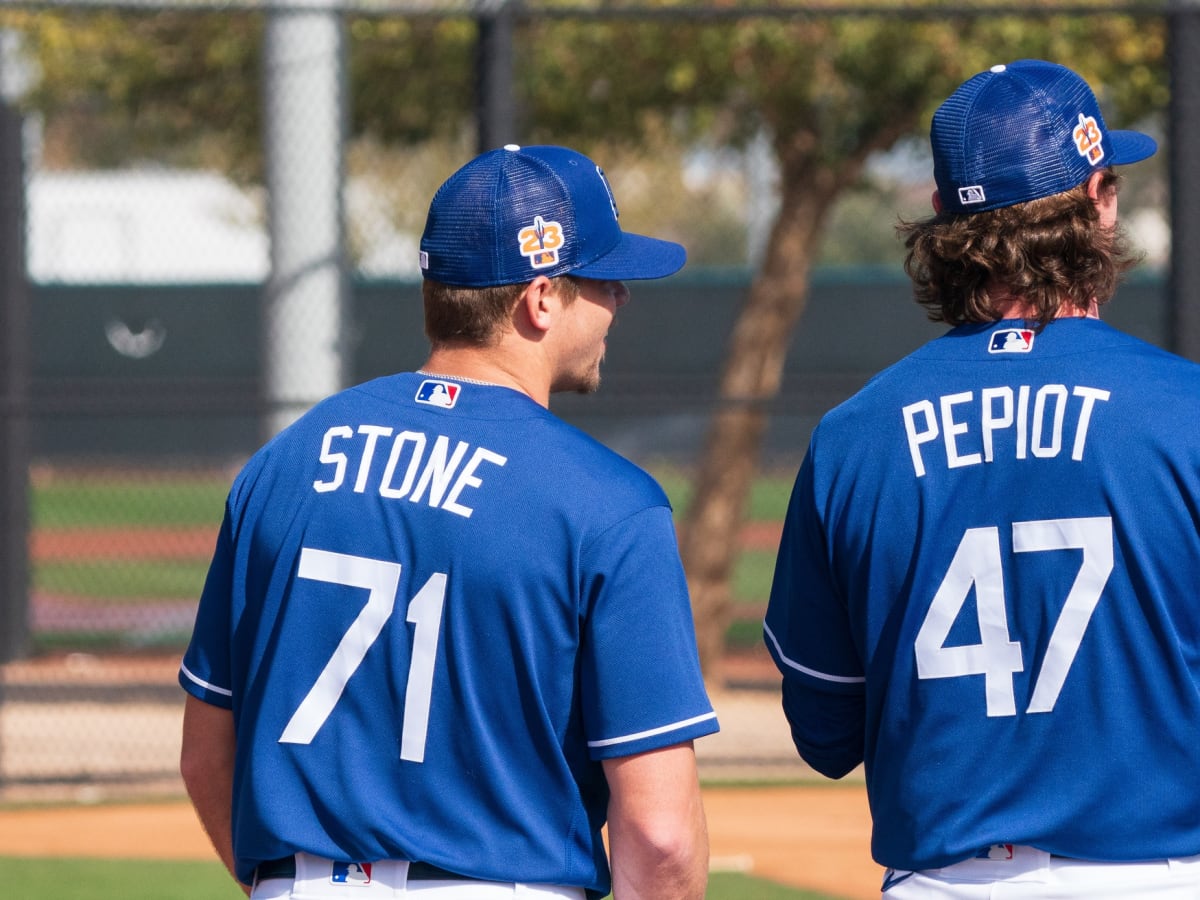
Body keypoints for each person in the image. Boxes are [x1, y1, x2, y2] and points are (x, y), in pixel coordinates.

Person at [179, 143, 719, 900]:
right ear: (540, 300)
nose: (621, 299)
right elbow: (660, 836)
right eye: (604, 279)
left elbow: (207, 759)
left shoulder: (282, 464)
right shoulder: (609, 503)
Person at [764, 59, 1200, 898]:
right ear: (1099, 202)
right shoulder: (1183, 410)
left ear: (939, 218)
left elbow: (825, 733)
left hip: (945, 881)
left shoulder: (854, 438)